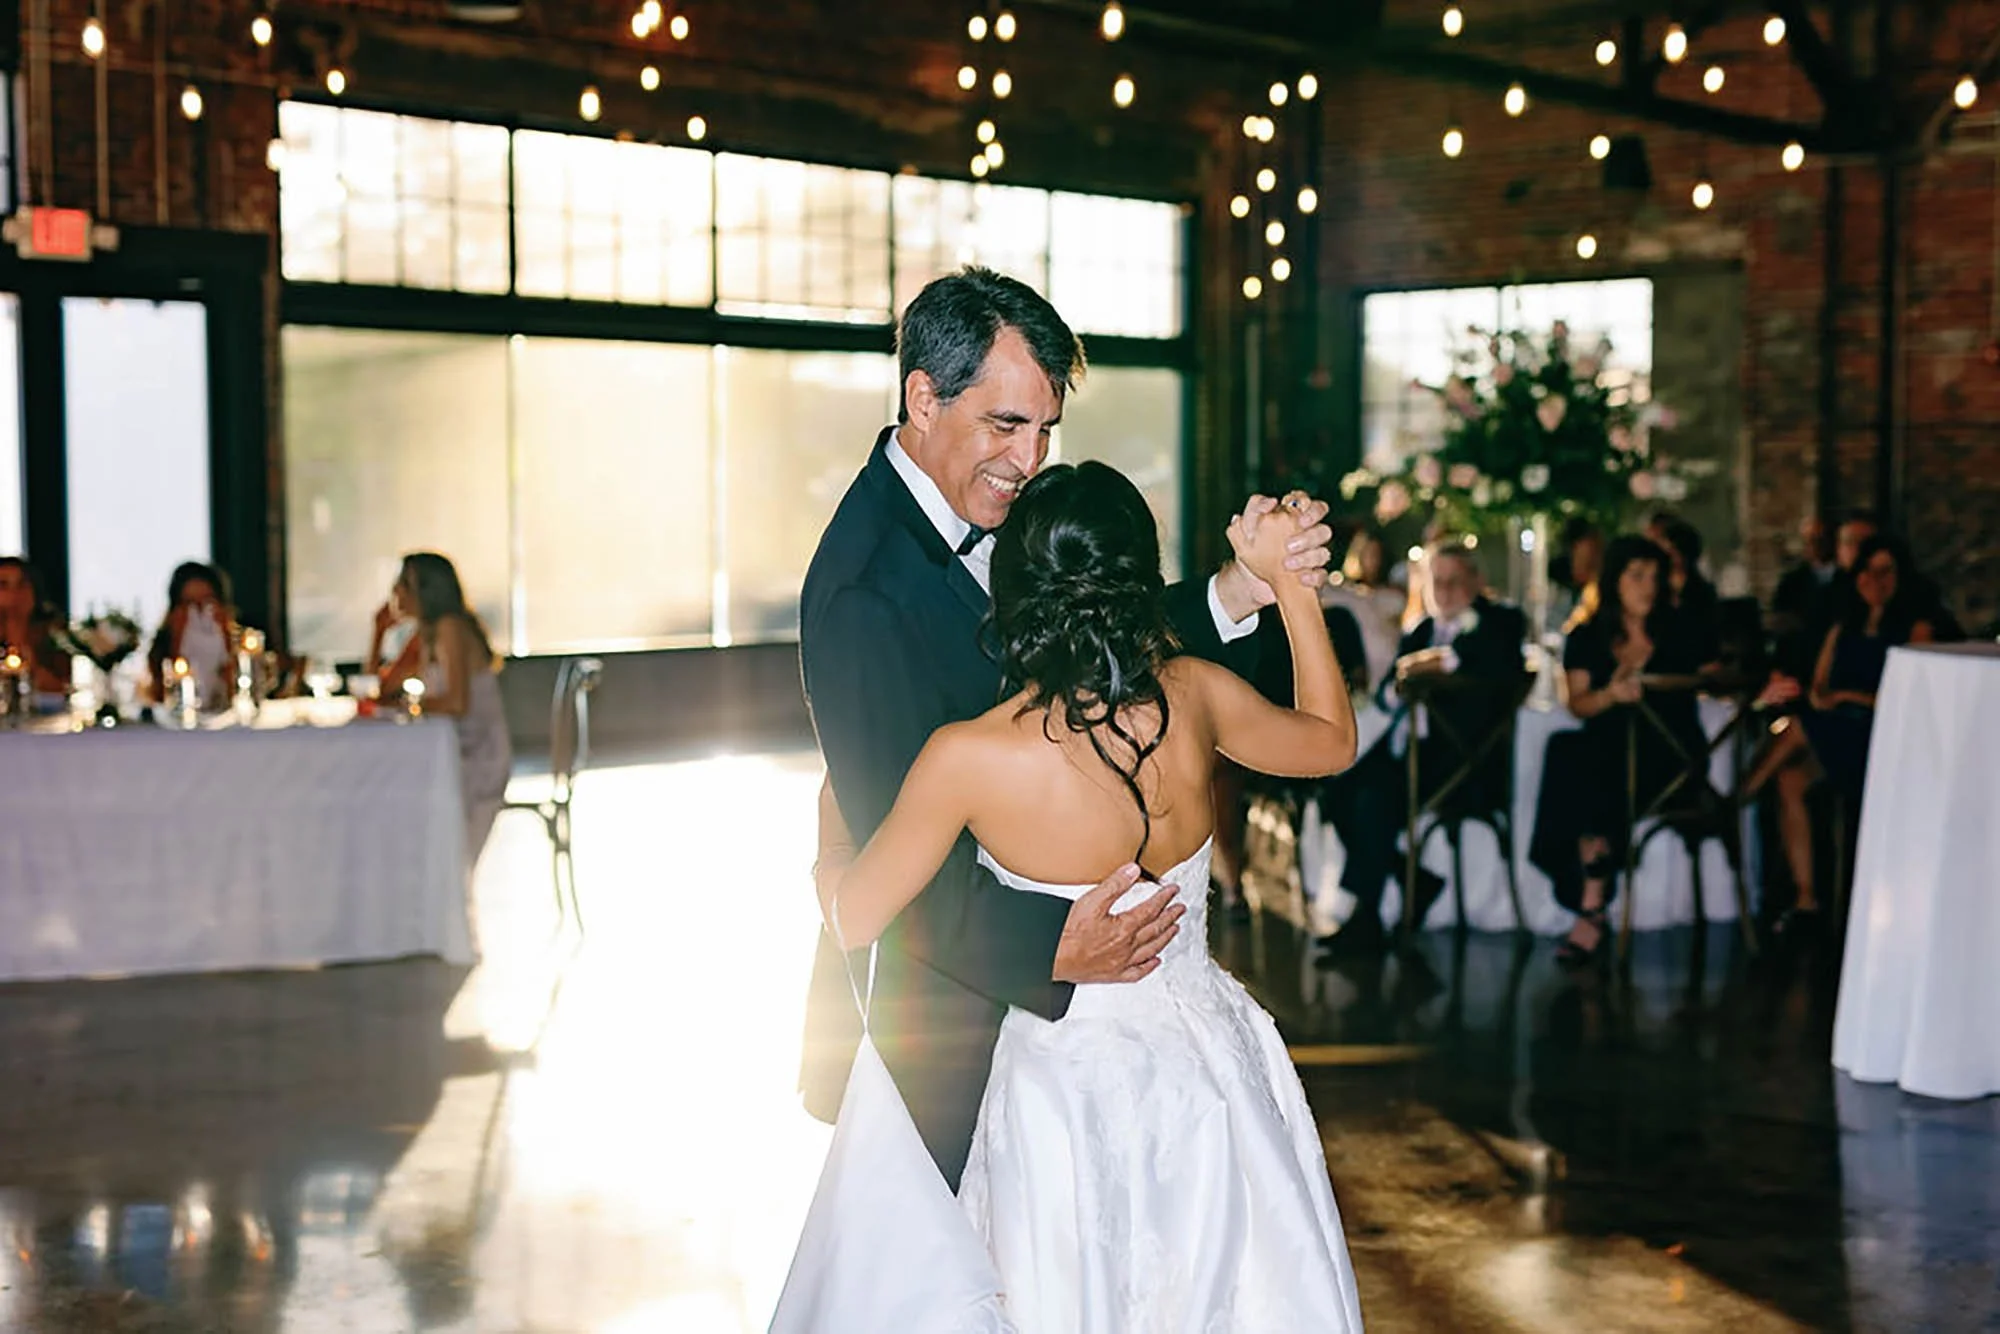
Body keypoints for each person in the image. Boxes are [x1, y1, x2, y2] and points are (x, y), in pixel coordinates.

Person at [776, 462, 1363, 1332]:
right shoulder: (1195, 695)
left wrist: (830, 844)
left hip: (1062, 1092)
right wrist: (1290, 585)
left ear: (1009, 591)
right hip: (1210, 1070)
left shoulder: (969, 756)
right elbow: (1330, 741)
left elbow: (859, 915)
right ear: (1139, 582)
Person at [792, 266, 1335, 1190]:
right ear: (923, 398)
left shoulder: (994, 499)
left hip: (1113, 1040)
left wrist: (1241, 589)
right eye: (1006, 425)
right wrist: (1046, 947)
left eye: (1046, 429)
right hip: (961, 1019)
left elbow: (1092, 628)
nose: (1028, 458)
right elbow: (900, 853)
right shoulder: (859, 592)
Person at [1320, 543, 1524, 956]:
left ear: (1476, 583)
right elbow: (1390, 691)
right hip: (1413, 754)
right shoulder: (1419, 630)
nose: (1445, 591)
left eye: (1454, 581)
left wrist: (1425, 665)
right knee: (1337, 786)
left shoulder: (1501, 622)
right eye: (1437, 581)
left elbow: (1487, 661)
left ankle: (1368, 917)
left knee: (1375, 796)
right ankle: (1412, 877)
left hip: (1466, 763)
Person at [1534, 536, 1719, 964]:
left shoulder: (1678, 628)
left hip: (1670, 757)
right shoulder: (1588, 634)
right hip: (1610, 752)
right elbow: (1577, 704)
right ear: (1614, 580)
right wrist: (1612, 695)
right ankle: (1593, 882)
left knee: (1587, 759)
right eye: (1636, 576)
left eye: (1654, 577)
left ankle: (1592, 897)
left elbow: (1717, 674)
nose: (1647, 586)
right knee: (1569, 749)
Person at [1745, 534, 1932, 932]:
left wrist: (1849, 696)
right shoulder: (1843, 626)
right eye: (1868, 570)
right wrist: (1828, 698)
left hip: (1882, 737)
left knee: (1795, 727)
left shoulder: (1915, 627)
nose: (1875, 580)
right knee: (1790, 778)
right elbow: (1818, 684)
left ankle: (1737, 797)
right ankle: (1805, 898)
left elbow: (1911, 697)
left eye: (1886, 571)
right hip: (1835, 729)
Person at [392, 552, 512, 863]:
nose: (395, 592)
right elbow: (385, 687)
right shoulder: (428, 632)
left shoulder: (450, 628)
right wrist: (379, 631)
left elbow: (457, 704)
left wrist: (411, 708)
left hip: (478, 758)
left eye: (404, 584)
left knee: (401, 797)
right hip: (455, 750)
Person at [144, 562, 237, 707]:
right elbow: (156, 698)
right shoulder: (159, 654)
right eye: (189, 604)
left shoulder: (239, 647)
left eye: (208, 602)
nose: (199, 614)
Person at [0, 557, 71, 693]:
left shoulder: (55, 635)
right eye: (3, 585)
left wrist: (19, 640)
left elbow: (60, 690)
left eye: (22, 584)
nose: (14, 594)